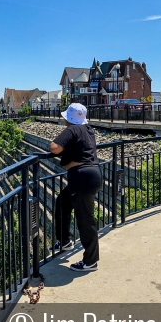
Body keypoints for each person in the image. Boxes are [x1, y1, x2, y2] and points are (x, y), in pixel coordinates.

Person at [49, 103, 101, 272]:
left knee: (85, 219)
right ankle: (65, 241)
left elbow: (54, 148)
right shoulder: (88, 129)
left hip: (81, 177)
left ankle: (90, 261)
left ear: (68, 118)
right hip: (92, 174)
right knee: (63, 202)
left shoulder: (72, 129)